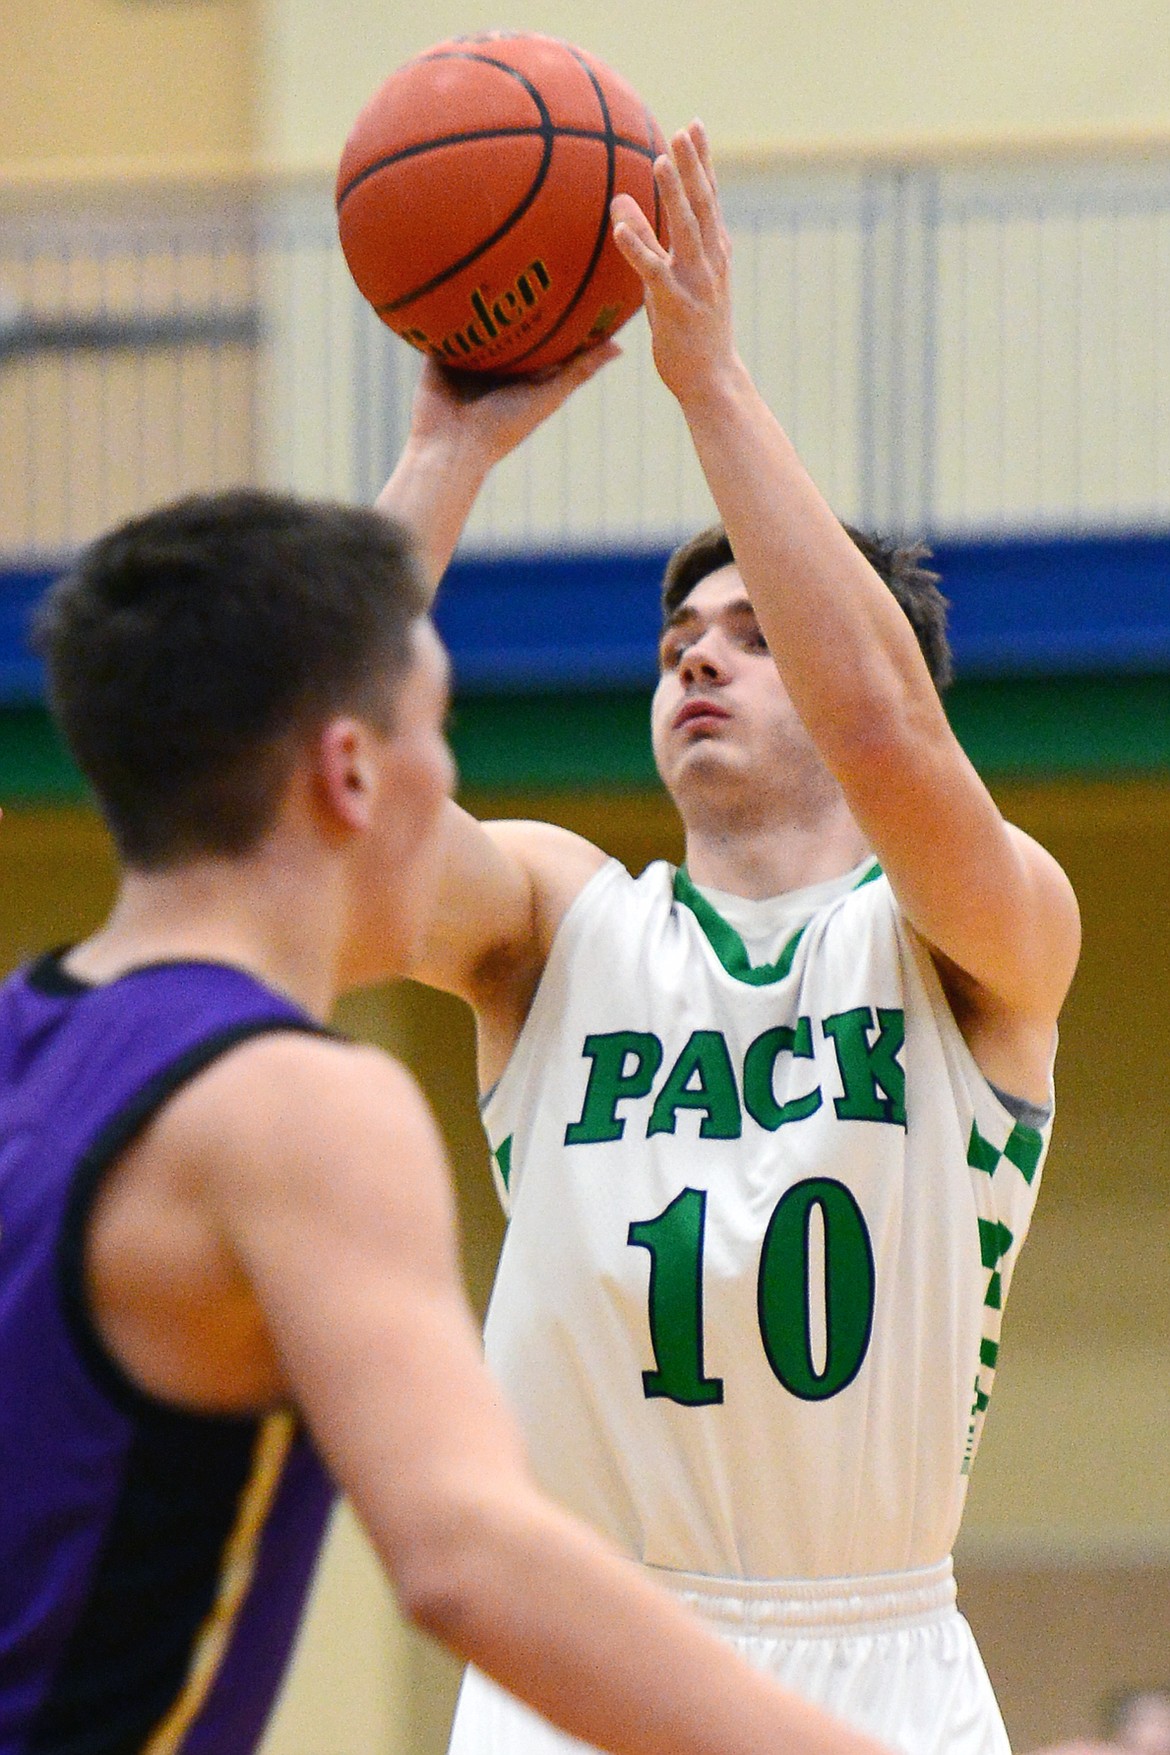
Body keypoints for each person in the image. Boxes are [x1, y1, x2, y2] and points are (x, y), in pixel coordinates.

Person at [375, 123, 1082, 1755]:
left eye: (759, 637)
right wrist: (448, 461)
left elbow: (894, 747)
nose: (699, 660)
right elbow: (312, 810)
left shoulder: (985, 938)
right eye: (681, 638)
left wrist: (710, 384)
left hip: (877, 1655)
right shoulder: (558, 923)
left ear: (850, 674)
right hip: (580, 1660)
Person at [0, 488, 891, 1755]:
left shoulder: (23, 1045)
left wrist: (449, 443)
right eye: (441, 734)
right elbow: (465, 1556)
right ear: (353, 767)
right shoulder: (296, 1104)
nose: (455, 786)